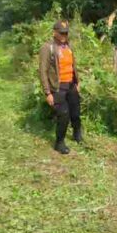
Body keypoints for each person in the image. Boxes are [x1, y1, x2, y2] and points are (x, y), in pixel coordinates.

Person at [39, 20, 83, 154]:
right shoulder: (48, 48)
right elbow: (43, 71)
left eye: (66, 33)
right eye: (61, 33)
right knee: (64, 114)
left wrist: (77, 82)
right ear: (54, 32)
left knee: (75, 112)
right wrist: (47, 93)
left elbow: (72, 65)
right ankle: (59, 142)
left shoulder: (68, 46)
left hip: (71, 85)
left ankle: (77, 134)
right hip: (57, 88)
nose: (64, 35)